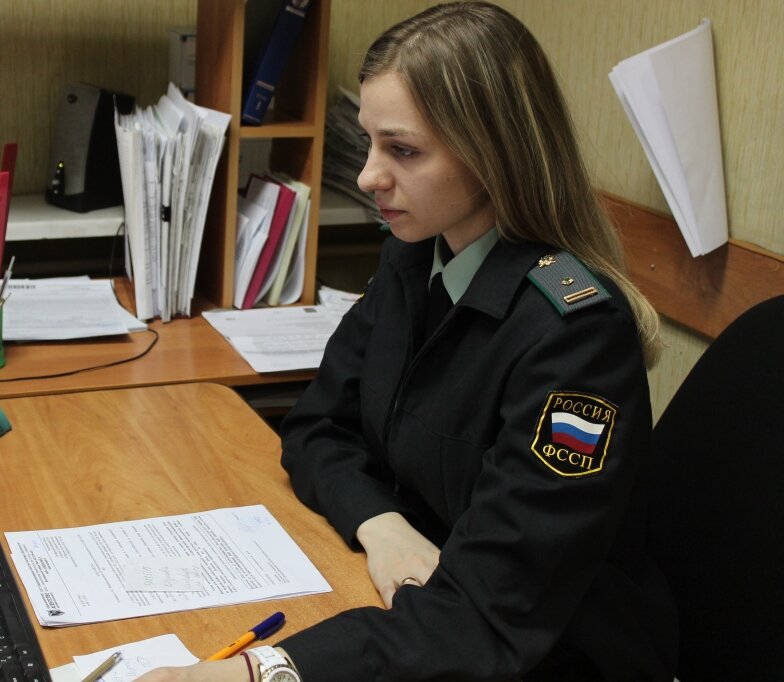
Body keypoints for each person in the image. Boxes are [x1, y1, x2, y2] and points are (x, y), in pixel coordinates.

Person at [135, 2, 676, 680]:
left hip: (545, 654)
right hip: (415, 612)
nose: (368, 176)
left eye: (403, 150)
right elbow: (317, 426)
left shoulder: (576, 339)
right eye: (369, 142)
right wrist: (379, 524)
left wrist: (256, 673)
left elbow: (493, 615)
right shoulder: (415, 258)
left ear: (493, 155)